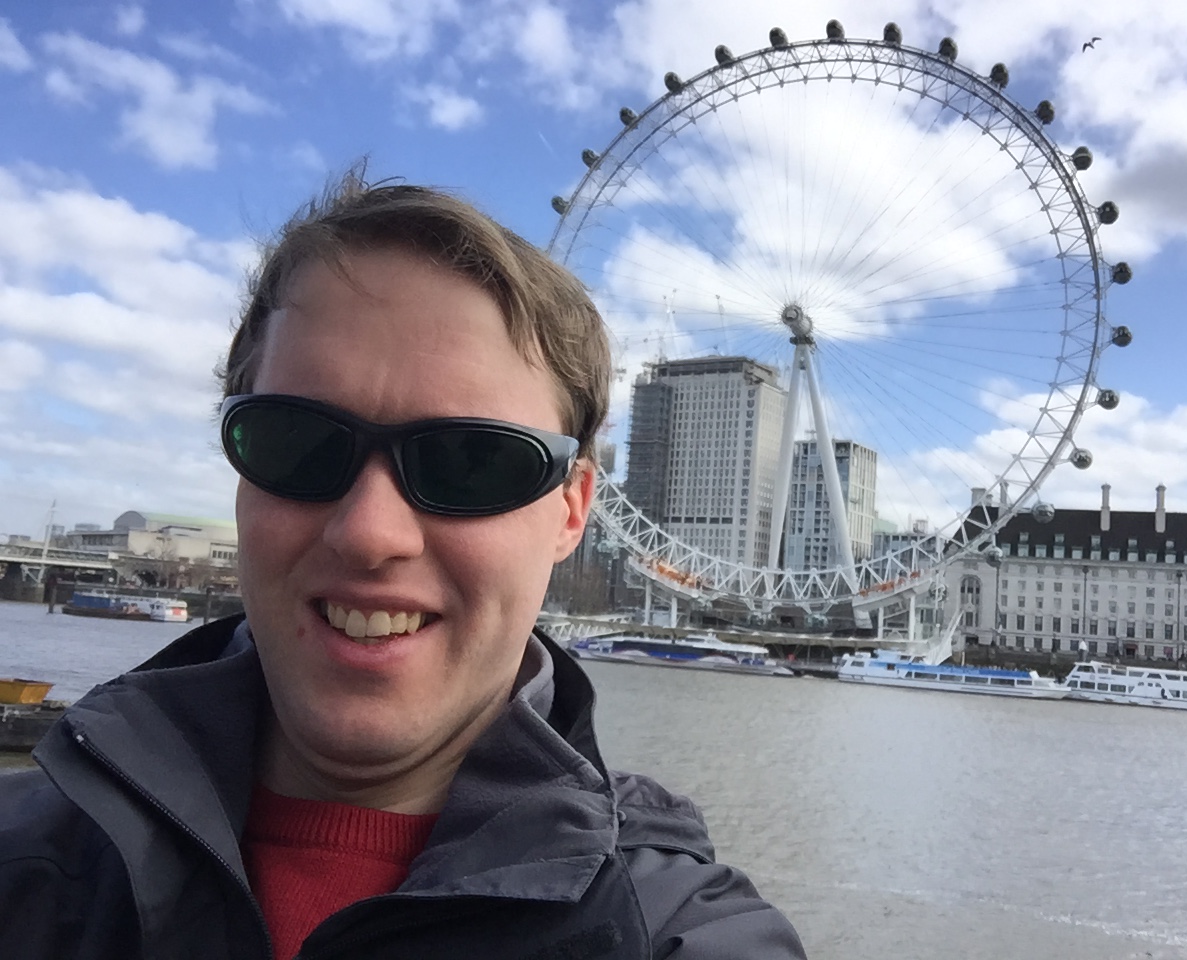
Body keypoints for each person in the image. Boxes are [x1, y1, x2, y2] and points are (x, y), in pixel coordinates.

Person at [0, 170, 807, 960]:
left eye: (470, 461)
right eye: (299, 443)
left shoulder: (673, 931)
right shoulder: (24, 863)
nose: (369, 532)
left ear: (571, 510)